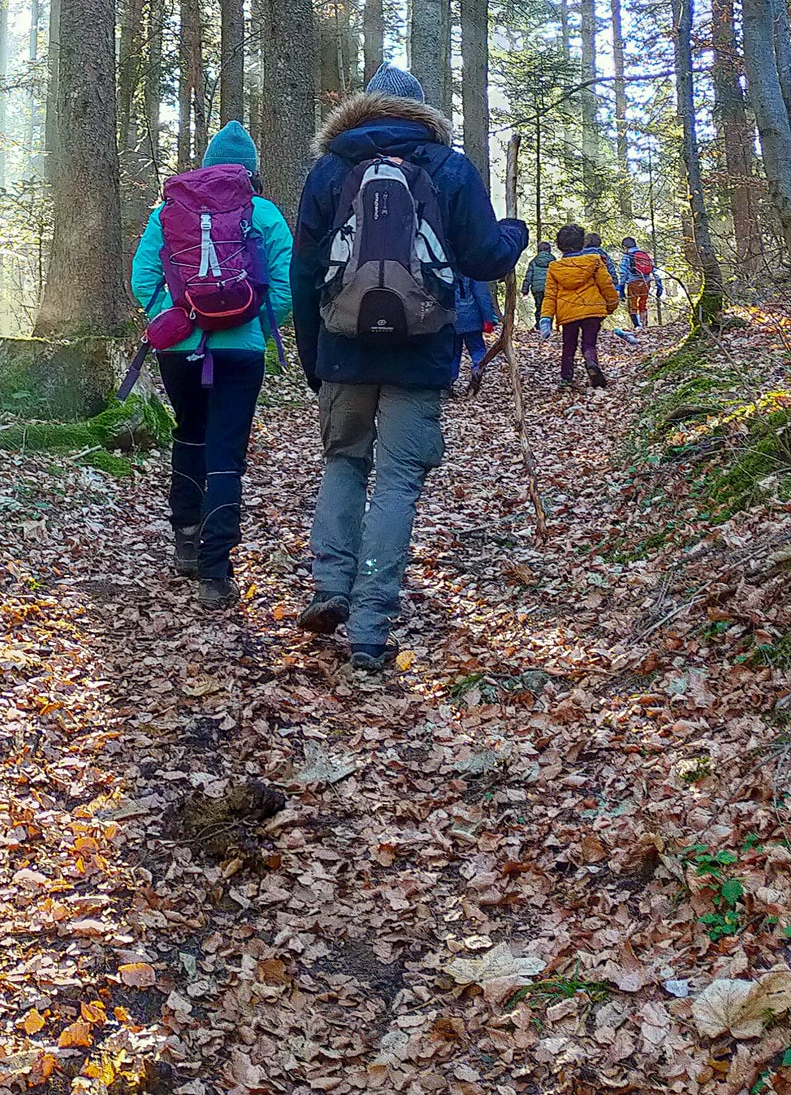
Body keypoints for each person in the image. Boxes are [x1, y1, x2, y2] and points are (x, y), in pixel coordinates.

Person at [290, 62, 527, 674]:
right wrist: (514, 234)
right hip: (421, 356)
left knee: (343, 464)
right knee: (396, 483)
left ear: (365, 107)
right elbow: (484, 256)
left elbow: (306, 272)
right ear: (423, 111)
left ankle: (329, 588)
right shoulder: (448, 168)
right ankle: (369, 626)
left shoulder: (330, 169)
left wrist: (312, 353)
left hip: (343, 349)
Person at [130, 122, 292, 613]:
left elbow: (143, 279)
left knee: (190, 433)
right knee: (226, 450)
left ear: (207, 164)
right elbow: (284, 287)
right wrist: (254, 330)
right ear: (253, 171)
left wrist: (180, 320)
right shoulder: (264, 213)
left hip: (180, 349)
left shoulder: (168, 210)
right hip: (240, 351)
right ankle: (215, 573)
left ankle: (185, 538)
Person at [543, 224, 619, 391]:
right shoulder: (594, 261)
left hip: (568, 313)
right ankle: (591, 362)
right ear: (582, 243)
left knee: (568, 345)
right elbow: (606, 285)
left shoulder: (555, 268)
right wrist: (611, 305)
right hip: (592, 309)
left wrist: (546, 317)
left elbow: (549, 295)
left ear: (558, 245)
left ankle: (566, 379)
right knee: (589, 343)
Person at [453, 274, 497, 379]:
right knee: (477, 348)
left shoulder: (445, 266)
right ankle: (478, 370)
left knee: (452, 352)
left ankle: (448, 383)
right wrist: (488, 319)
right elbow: (482, 295)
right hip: (471, 317)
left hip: (451, 317)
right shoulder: (473, 268)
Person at [621, 235, 662, 329]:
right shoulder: (644, 254)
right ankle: (644, 324)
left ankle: (637, 326)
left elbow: (623, 273)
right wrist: (659, 284)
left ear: (624, 247)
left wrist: (621, 287)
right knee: (643, 303)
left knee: (632, 304)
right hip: (646, 282)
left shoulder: (627, 256)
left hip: (633, 282)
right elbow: (654, 270)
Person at [522, 239, 553, 334]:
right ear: (549, 250)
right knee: (549, 307)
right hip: (549, 288)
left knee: (539, 306)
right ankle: (548, 327)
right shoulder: (553, 260)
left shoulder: (534, 261)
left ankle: (539, 325)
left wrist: (525, 289)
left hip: (537, 288)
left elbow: (528, 276)